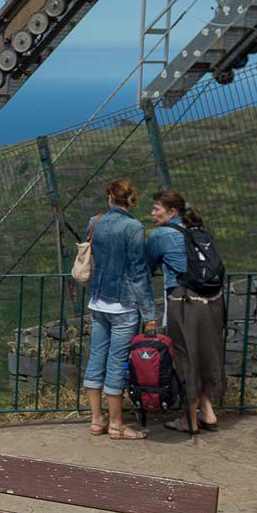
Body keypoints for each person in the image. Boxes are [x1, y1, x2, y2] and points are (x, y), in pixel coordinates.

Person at [147, 191, 226, 433]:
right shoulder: (197, 230)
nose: (152, 213)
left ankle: (190, 420)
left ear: (172, 212)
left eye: (157, 208)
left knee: (186, 357)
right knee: (206, 355)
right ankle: (208, 412)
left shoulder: (161, 234)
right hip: (212, 301)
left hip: (184, 302)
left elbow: (147, 266)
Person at [82, 178, 155, 440]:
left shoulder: (95, 221)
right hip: (124, 305)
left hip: (97, 301)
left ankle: (95, 420)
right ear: (130, 199)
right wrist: (149, 314)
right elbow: (138, 272)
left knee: (96, 359)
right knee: (115, 364)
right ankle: (116, 425)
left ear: (110, 198)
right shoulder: (134, 227)